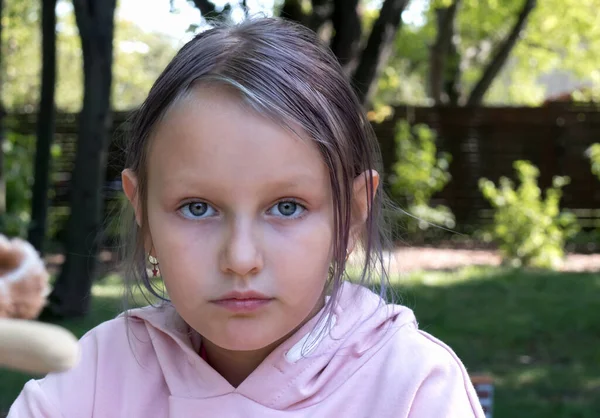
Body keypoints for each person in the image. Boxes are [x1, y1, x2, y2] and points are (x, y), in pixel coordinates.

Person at [9, 18, 485, 417]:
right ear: (143, 214)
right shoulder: (94, 377)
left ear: (353, 215)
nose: (240, 259)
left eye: (286, 208)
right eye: (198, 208)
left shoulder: (413, 388)